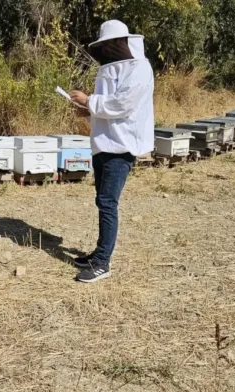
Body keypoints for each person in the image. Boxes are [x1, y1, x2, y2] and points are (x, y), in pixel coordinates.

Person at [68, 20, 155, 283]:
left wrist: (89, 101)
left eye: (111, 44)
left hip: (122, 146)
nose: (107, 50)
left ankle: (103, 263)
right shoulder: (111, 68)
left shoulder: (139, 68)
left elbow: (123, 105)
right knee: (102, 200)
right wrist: (88, 111)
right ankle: (99, 253)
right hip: (104, 144)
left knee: (108, 203)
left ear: (122, 42)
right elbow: (107, 108)